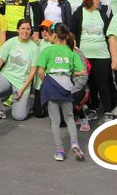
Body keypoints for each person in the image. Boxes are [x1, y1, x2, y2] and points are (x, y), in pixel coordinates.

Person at [35, 22, 88, 162]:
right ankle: (75, 143)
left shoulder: (47, 50)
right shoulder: (71, 51)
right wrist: (70, 73)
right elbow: (82, 71)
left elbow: (40, 71)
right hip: (66, 86)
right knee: (69, 117)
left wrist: (46, 81)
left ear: (54, 35)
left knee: (55, 120)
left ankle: (59, 150)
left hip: (51, 85)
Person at [71, 0, 117, 120]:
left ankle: (108, 110)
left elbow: (109, 33)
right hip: (84, 54)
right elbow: (73, 34)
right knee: (89, 83)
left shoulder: (102, 13)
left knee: (104, 82)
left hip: (102, 53)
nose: (99, 0)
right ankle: (92, 108)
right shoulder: (79, 13)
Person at [0, 18, 40, 121]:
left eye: (28, 29)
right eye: (23, 28)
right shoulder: (10, 42)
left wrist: (22, 90)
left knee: (19, 116)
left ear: (31, 30)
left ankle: (29, 99)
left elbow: (33, 72)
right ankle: (0, 110)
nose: (25, 31)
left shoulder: (35, 48)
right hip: (7, 76)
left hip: (21, 82)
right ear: (17, 30)